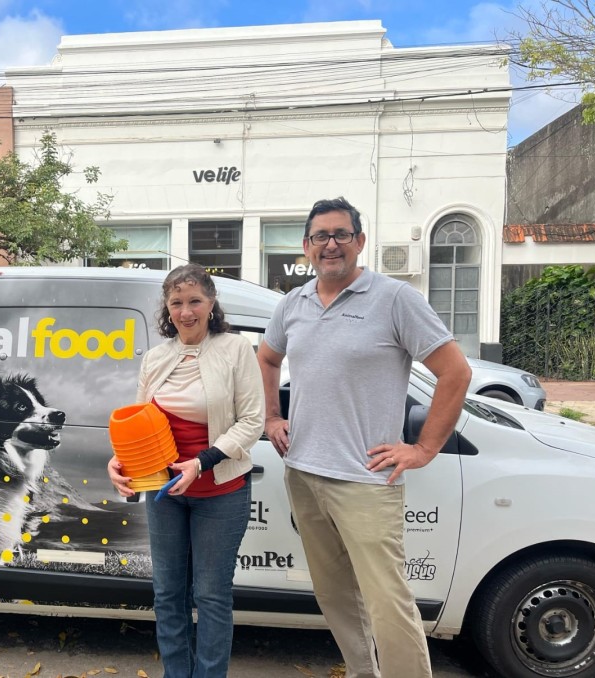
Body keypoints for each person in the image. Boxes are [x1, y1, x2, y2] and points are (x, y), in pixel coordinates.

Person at [256, 198, 471, 678]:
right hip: (305, 473)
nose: (330, 245)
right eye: (320, 237)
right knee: (333, 594)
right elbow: (266, 359)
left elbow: (455, 372)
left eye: (341, 234)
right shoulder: (294, 302)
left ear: (360, 241)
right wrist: (273, 417)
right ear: (307, 247)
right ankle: (360, 671)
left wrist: (424, 448)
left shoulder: (395, 299)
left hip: (365, 481)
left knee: (387, 602)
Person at [107, 264, 264, 678]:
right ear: (168, 307)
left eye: (195, 301)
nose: (186, 311)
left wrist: (202, 462)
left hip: (221, 491)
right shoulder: (157, 358)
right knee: (167, 595)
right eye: (177, 302)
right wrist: (119, 461)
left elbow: (252, 422)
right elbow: (140, 422)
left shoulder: (235, 350)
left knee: (212, 596)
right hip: (166, 494)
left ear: (211, 304)